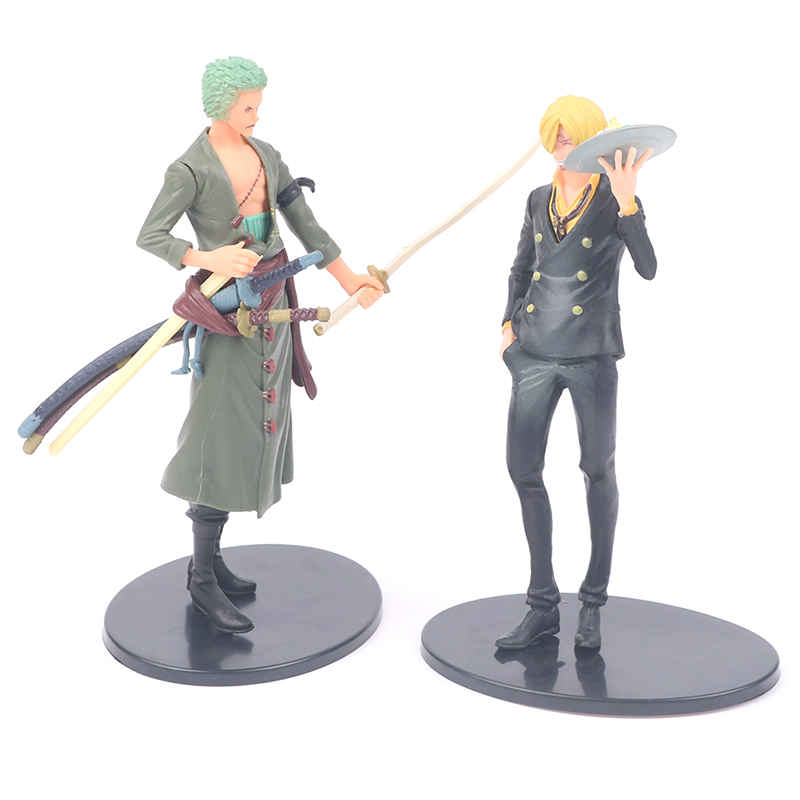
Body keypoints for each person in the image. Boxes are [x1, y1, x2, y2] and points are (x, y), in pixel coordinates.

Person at [137, 57, 382, 634]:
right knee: (217, 433)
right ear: (222, 105)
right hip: (225, 312)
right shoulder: (189, 168)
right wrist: (206, 257)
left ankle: (211, 561)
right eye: (248, 106)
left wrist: (349, 280)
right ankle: (200, 576)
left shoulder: (268, 155)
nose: (256, 114)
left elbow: (306, 225)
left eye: (258, 105)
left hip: (274, 305)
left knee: (259, 424)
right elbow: (151, 235)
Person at [495, 95, 656, 650]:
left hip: (590, 353)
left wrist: (629, 202)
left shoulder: (613, 198)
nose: (564, 147)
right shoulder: (537, 198)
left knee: (597, 470)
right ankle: (542, 605)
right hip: (535, 350)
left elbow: (648, 267)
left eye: (573, 138)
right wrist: (508, 327)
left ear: (592, 141)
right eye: (557, 138)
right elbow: (522, 266)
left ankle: (592, 603)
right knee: (523, 470)